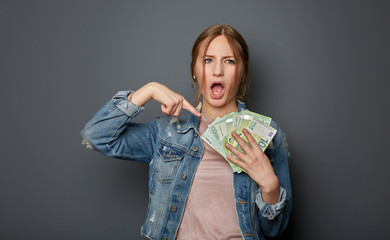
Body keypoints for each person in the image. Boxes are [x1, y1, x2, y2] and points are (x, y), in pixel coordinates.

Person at [81, 24, 291, 240]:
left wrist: (271, 186)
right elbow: (96, 135)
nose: (217, 70)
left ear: (242, 72)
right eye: (208, 60)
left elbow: (274, 230)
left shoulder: (269, 135)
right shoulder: (165, 134)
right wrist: (148, 90)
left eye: (229, 61)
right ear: (195, 71)